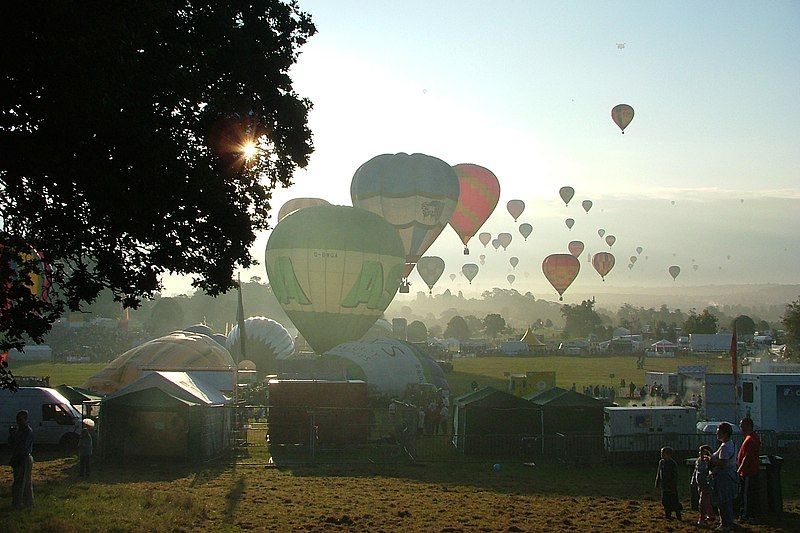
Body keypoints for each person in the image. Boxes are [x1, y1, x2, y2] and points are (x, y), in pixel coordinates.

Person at [710, 422, 738, 531]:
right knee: (727, 500)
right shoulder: (732, 444)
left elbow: (723, 463)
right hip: (730, 473)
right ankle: (728, 522)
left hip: (724, 475)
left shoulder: (725, 447)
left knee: (723, 500)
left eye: (719, 432)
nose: (717, 434)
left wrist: (711, 460)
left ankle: (725, 524)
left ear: (725, 433)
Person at [8, 410, 34, 508]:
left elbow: (22, 446)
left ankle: (18, 503)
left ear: (25, 419)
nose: (18, 421)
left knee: (21, 482)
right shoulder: (20, 430)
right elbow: (12, 444)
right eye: (17, 419)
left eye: (20, 419)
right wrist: (12, 436)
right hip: (19, 457)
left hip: (24, 457)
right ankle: (27, 502)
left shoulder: (27, 431)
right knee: (24, 481)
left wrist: (15, 437)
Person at [737, 417, 761, 522]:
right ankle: (749, 514)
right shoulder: (752, 437)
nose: (740, 427)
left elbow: (747, 458)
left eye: (742, 425)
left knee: (746, 494)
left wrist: (739, 470)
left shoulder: (751, 439)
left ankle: (746, 515)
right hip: (749, 471)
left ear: (747, 425)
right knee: (748, 493)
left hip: (748, 472)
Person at [655, 446, 683, 520]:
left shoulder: (672, 463)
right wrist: (657, 481)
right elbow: (659, 472)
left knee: (674, 501)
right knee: (665, 501)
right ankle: (668, 515)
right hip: (664, 486)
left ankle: (678, 515)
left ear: (669, 455)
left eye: (663, 454)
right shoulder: (661, 462)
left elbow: (675, 475)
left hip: (671, 487)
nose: (662, 455)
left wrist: (673, 485)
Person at [692, 445, 715, 526]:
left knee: (703, 500)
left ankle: (702, 518)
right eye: (700, 452)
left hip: (706, 483)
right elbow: (695, 471)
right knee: (706, 498)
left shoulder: (708, 462)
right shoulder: (698, 461)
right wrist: (693, 481)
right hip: (700, 482)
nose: (701, 454)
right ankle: (710, 513)